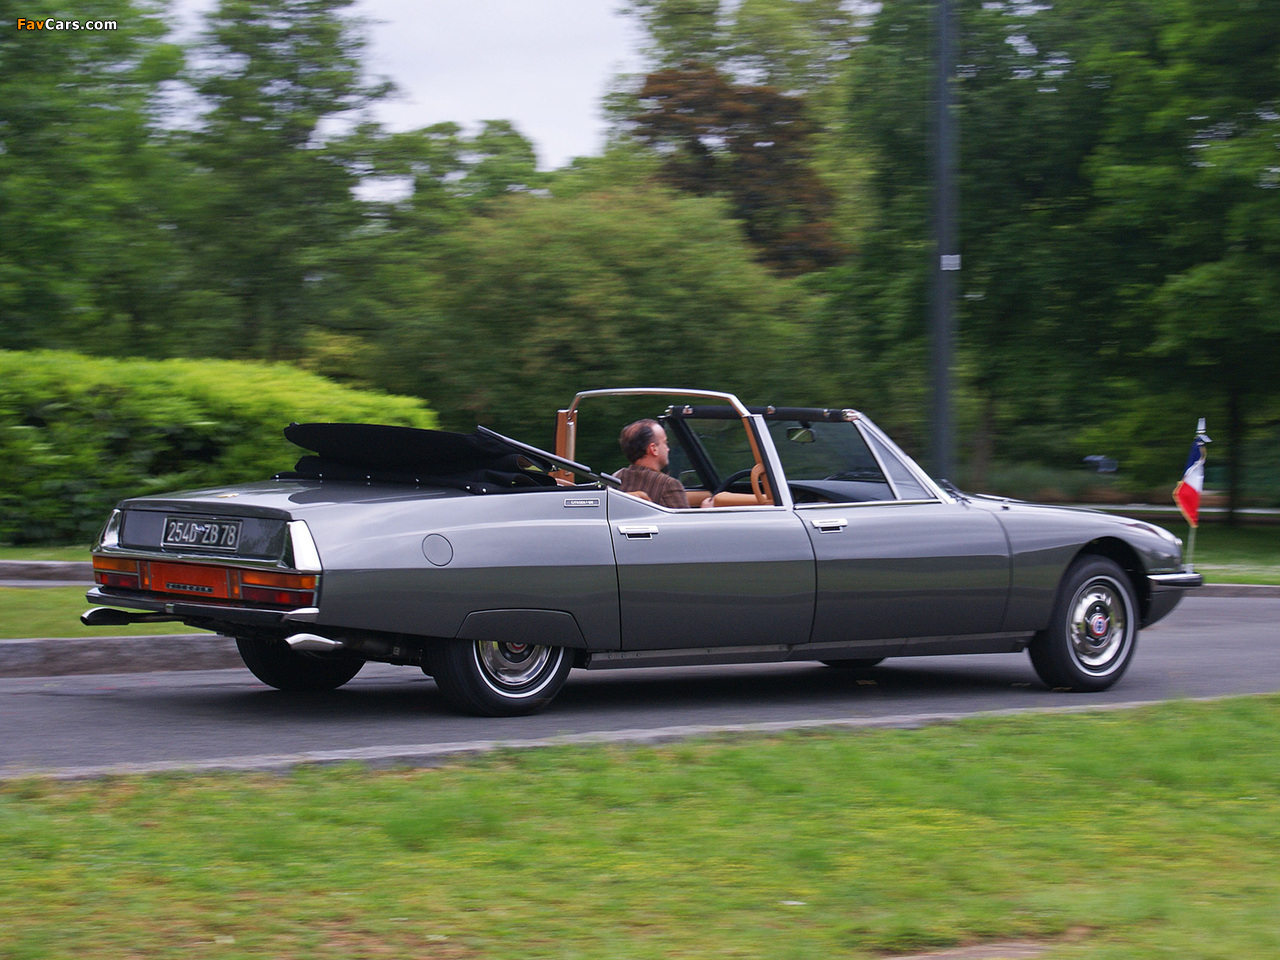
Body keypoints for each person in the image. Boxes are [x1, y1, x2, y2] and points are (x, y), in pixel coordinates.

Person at [615, 419, 694, 509]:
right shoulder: (668, 485)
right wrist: (707, 507)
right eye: (665, 443)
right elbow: (684, 521)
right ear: (654, 449)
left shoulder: (616, 478)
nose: (668, 449)